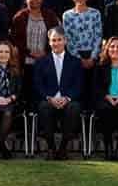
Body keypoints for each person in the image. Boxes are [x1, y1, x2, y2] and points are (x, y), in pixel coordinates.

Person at [34, 27, 83, 160]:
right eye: (53, 40)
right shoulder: (41, 62)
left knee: (74, 107)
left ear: (65, 41)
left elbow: (78, 85)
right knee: (43, 107)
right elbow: (38, 84)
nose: (56, 43)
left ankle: (63, 148)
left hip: (67, 101)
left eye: (59, 40)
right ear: (49, 42)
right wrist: (49, 98)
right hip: (49, 100)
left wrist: (67, 98)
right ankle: (51, 148)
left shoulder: (75, 62)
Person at [10, 0, 60, 100]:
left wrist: (46, 52)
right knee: (27, 92)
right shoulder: (19, 17)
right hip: (26, 61)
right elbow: (15, 39)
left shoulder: (50, 15)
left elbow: (56, 36)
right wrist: (29, 52)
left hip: (46, 60)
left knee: (42, 92)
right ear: (26, 0)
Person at [62, 0, 102, 107]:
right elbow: (68, 38)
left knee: (93, 86)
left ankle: (91, 112)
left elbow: (98, 35)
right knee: (77, 86)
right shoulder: (67, 15)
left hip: (92, 55)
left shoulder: (95, 13)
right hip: (75, 55)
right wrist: (79, 59)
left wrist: (93, 57)